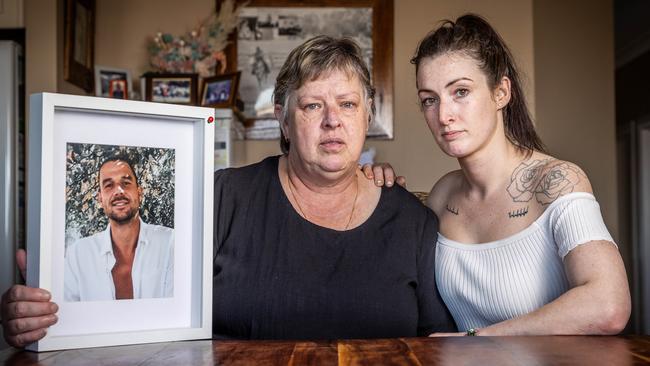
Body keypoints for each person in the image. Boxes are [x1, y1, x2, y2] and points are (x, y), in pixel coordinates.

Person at [1, 36, 455, 347]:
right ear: (282, 115)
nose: (332, 120)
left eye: (348, 104)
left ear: (367, 113)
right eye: (313, 104)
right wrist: (45, 317)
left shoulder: (411, 220)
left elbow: (436, 345)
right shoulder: (221, 198)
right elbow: (138, 307)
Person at [365, 14, 631, 336]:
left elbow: (609, 305)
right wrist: (376, 189)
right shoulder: (442, 195)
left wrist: (480, 338)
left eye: (460, 92)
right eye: (430, 100)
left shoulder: (556, 182)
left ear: (501, 92)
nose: (444, 115)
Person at [65, 155, 174, 301]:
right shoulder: (78, 255)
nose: (119, 191)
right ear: (100, 199)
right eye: (109, 185)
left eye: (126, 182)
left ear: (139, 193)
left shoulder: (170, 243)